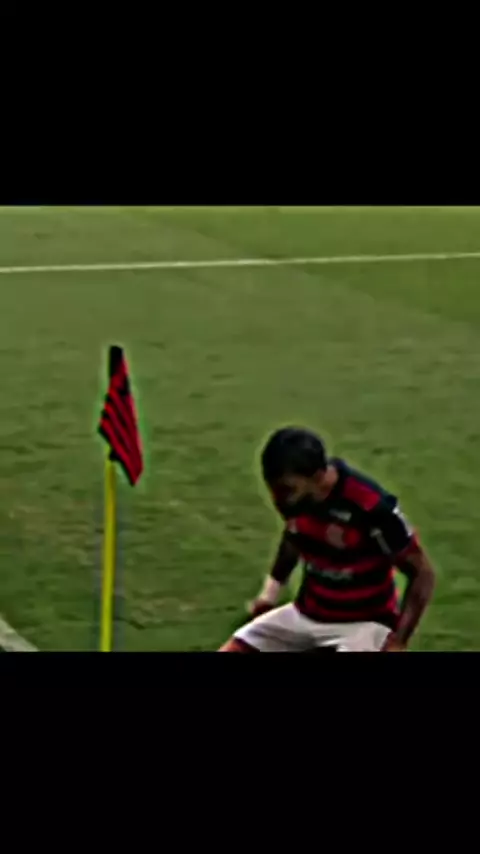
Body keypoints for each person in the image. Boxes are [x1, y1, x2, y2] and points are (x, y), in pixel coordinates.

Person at [219, 427, 436, 652]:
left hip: (364, 624)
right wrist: (269, 596)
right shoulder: (296, 500)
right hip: (306, 615)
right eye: (272, 489)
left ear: (317, 477)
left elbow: (422, 573)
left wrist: (399, 641)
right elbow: (294, 535)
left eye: (286, 490)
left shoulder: (370, 506)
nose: (278, 500)